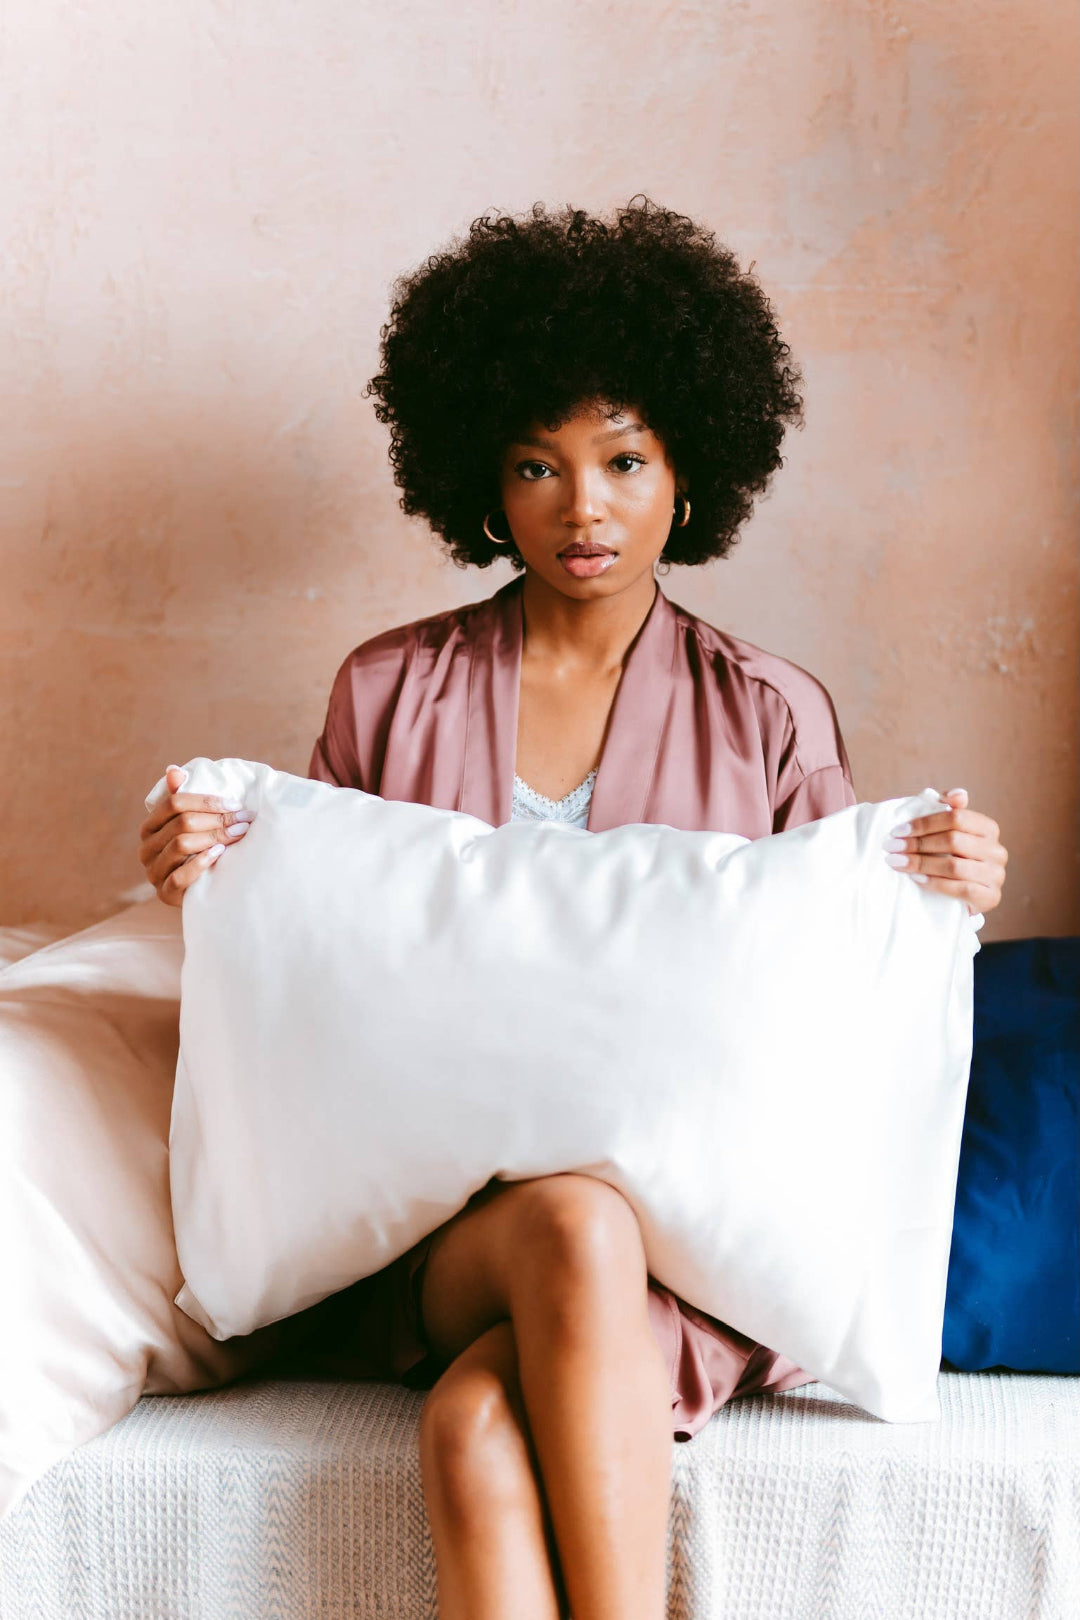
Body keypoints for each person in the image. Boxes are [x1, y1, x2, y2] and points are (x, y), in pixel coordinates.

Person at [137, 198, 1009, 1620]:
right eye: (538, 465)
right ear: (482, 479)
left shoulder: (775, 714)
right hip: (444, 1240)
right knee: (561, 1225)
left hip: (690, 1254)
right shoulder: (384, 690)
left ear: (689, 474)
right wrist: (201, 866)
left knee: (482, 1426)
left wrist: (948, 895)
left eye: (622, 459)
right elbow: (318, 966)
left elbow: (832, 1002)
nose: (582, 507)